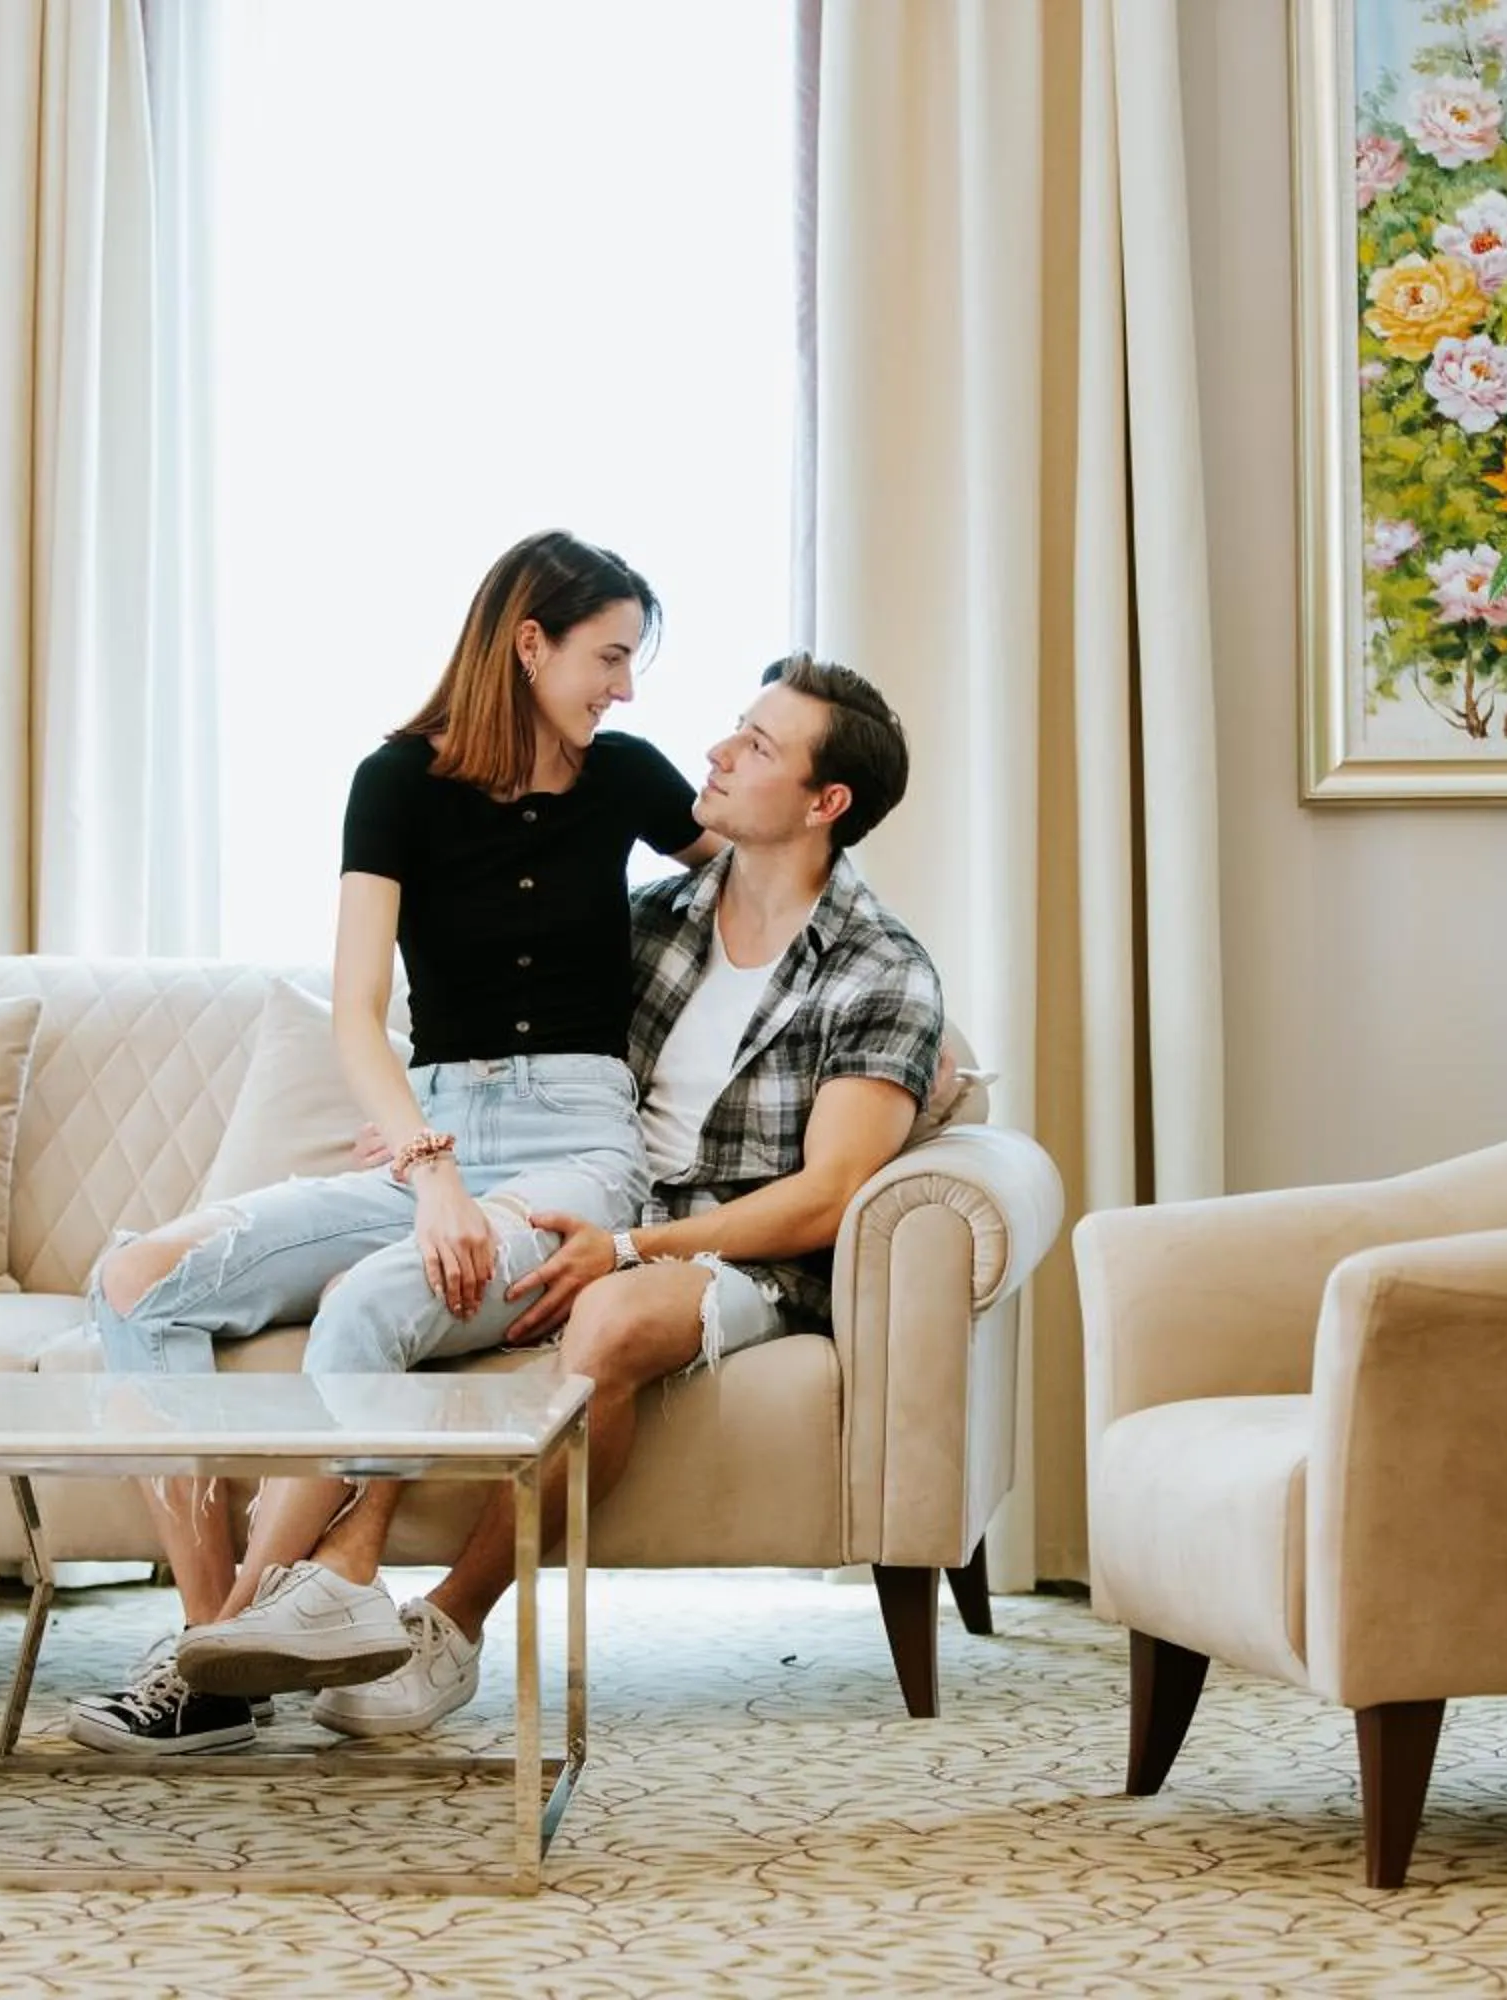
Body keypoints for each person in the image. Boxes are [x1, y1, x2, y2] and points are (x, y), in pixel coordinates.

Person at [66, 531, 719, 1754]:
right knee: (138, 1280)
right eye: (610, 656)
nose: (626, 687)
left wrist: (897, 1010)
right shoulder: (395, 781)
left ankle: (211, 1663)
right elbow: (359, 1012)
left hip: (576, 1150)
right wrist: (432, 1169)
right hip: (434, 1137)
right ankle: (217, 1644)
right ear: (530, 643)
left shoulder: (628, 777)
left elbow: (775, 878)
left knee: (375, 1294)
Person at [216, 653, 947, 1740]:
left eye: (757, 745)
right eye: (735, 727)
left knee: (608, 1316)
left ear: (823, 802)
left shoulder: (880, 970)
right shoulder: (650, 921)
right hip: (585, 1200)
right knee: (405, 1281)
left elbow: (828, 1198)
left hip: (742, 1255)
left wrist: (631, 1248)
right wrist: (429, 1128)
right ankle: (325, 1583)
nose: (717, 752)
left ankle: (449, 1628)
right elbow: (509, 1037)